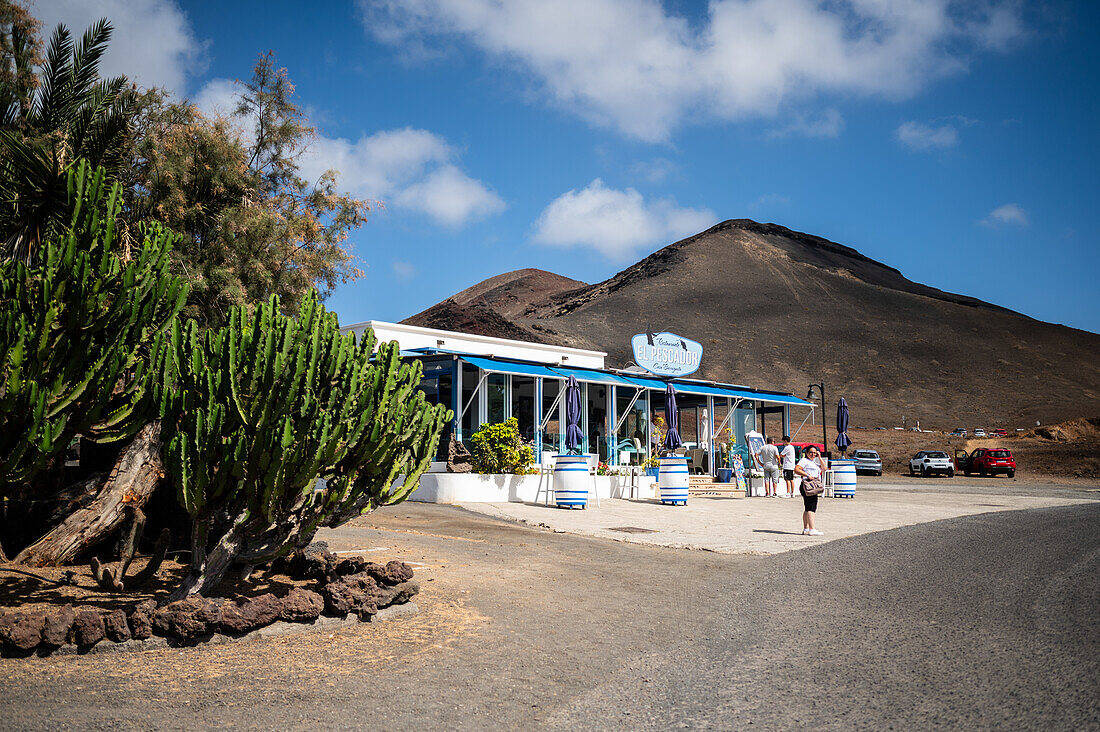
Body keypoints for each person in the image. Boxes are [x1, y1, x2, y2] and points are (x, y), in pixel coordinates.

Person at [794, 446, 825, 535]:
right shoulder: (804, 461)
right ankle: (812, 529)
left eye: (815, 453)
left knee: (807, 508)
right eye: (811, 452)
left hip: (811, 486)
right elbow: (796, 469)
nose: (813, 454)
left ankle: (806, 528)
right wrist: (807, 475)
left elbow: (824, 468)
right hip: (808, 486)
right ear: (806, 453)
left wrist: (819, 457)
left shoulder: (813, 462)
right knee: (812, 507)